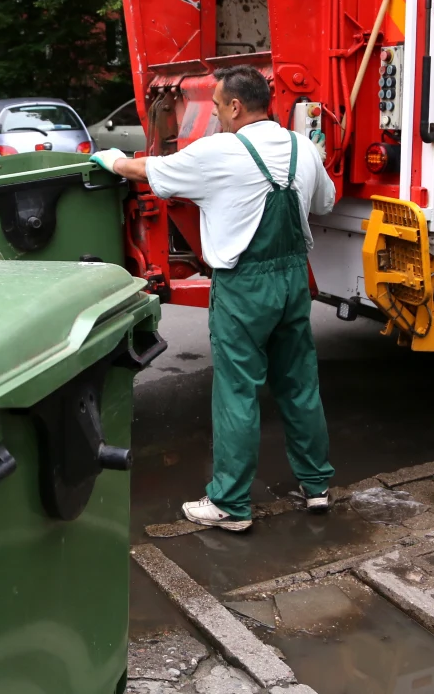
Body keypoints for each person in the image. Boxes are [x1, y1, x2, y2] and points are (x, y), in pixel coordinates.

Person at [90, 66, 336, 532]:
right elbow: (325, 202)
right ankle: (317, 486)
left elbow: (153, 171)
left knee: (237, 391)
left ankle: (230, 504)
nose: (219, 115)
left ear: (236, 107)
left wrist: (114, 162)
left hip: (244, 285)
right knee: (301, 384)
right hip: (292, 280)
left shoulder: (219, 150)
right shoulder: (303, 148)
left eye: (220, 106)